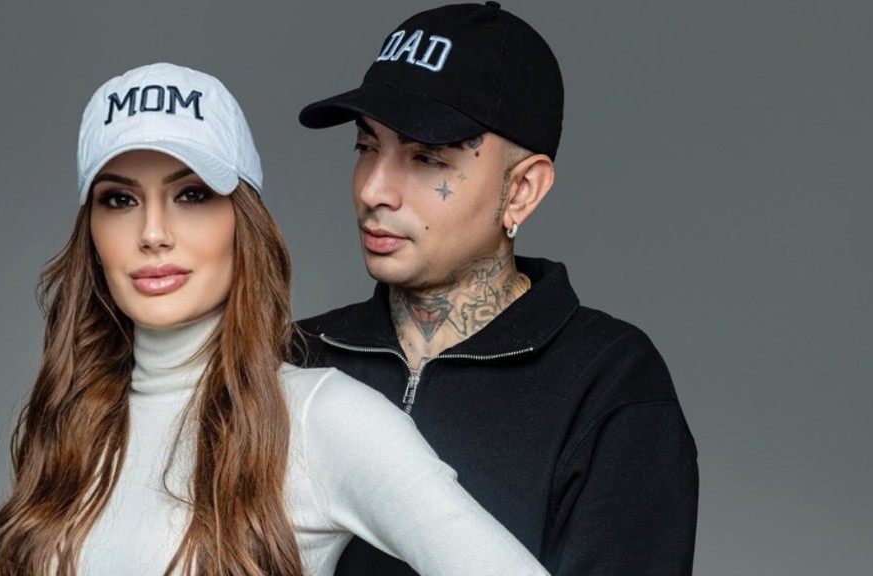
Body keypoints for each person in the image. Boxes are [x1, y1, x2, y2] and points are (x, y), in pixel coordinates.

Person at [0, 63, 551, 576]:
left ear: (242, 220)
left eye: (192, 195)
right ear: (92, 233)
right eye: (120, 200)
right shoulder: (72, 429)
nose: (152, 234)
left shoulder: (321, 417)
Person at [296, 3, 699, 575]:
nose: (373, 190)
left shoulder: (610, 383)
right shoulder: (292, 359)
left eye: (426, 157)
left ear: (522, 190)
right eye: (366, 148)